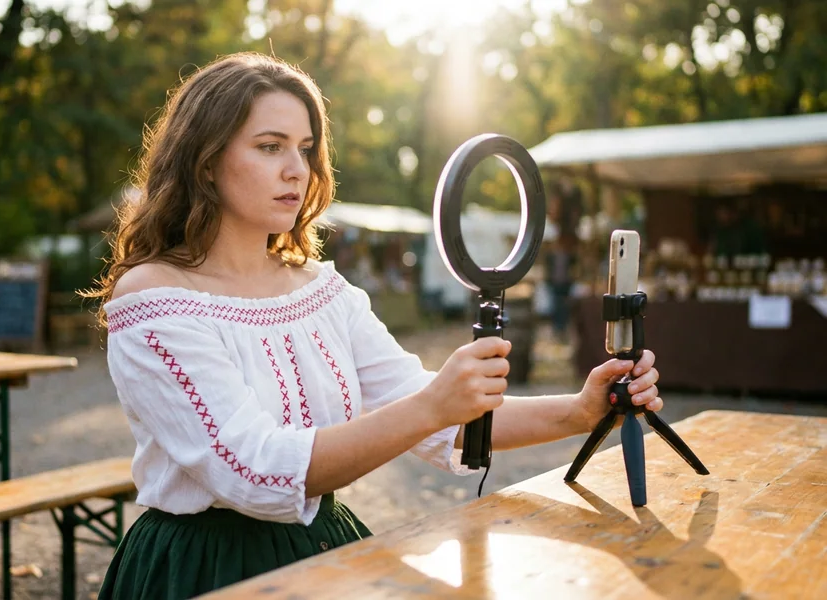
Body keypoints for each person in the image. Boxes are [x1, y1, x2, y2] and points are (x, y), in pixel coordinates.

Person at [84, 52, 663, 599]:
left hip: (323, 547)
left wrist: (582, 410)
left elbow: (434, 415)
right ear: (206, 162)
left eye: (307, 149)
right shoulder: (157, 296)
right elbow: (254, 471)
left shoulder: (320, 290)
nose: (297, 169)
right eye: (269, 146)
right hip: (205, 567)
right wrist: (433, 406)